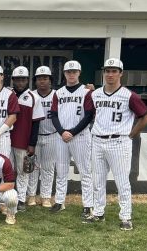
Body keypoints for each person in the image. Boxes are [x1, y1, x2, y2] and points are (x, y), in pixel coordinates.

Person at [84, 58, 147, 230]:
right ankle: (98, 213)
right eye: (107, 71)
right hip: (98, 140)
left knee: (122, 181)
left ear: (121, 73)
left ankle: (126, 216)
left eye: (114, 71)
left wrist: (131, 135)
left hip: (119, 140)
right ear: (103, 73)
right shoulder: (95, 94)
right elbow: (89, 112)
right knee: (97, 180)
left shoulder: (129, 95)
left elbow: (146, 117)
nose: (110, 74)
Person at [50, 60, 94, 216]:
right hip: (62, 136)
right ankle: (60, 201)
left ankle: (88, 205)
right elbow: (53, 115)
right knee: (61, 170)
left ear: (79, 73)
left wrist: (73, 132)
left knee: (85, 171)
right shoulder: (58, 92)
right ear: (64, 74)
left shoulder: (86, 91)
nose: (71, 74)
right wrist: (62, 132)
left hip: (80, 135)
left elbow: (89, 115)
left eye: (74, 71)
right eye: (68, 72)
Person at [9, 66, 45, 212]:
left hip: (23, 141)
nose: (20, 82)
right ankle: (7, 198)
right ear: (12, 80)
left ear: (27, 80)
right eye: (17, 79)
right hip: (5, 138)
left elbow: (36, 123)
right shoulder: (6, 94)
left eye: (23, 79)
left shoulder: (33, 97)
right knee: (7, 170)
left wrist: (32, 143)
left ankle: (21, 199)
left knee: (22, 171)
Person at [26, 66, 57, 208]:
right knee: (32, 167)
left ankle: (45, 197)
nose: (42, 81)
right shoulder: (30, 95)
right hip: (34, 136)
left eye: (45, 78)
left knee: (48, 167)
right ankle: (31, 195)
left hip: (51, 135)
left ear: (50, 80)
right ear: (35, 81)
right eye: (39, 78)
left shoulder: (57, 95)